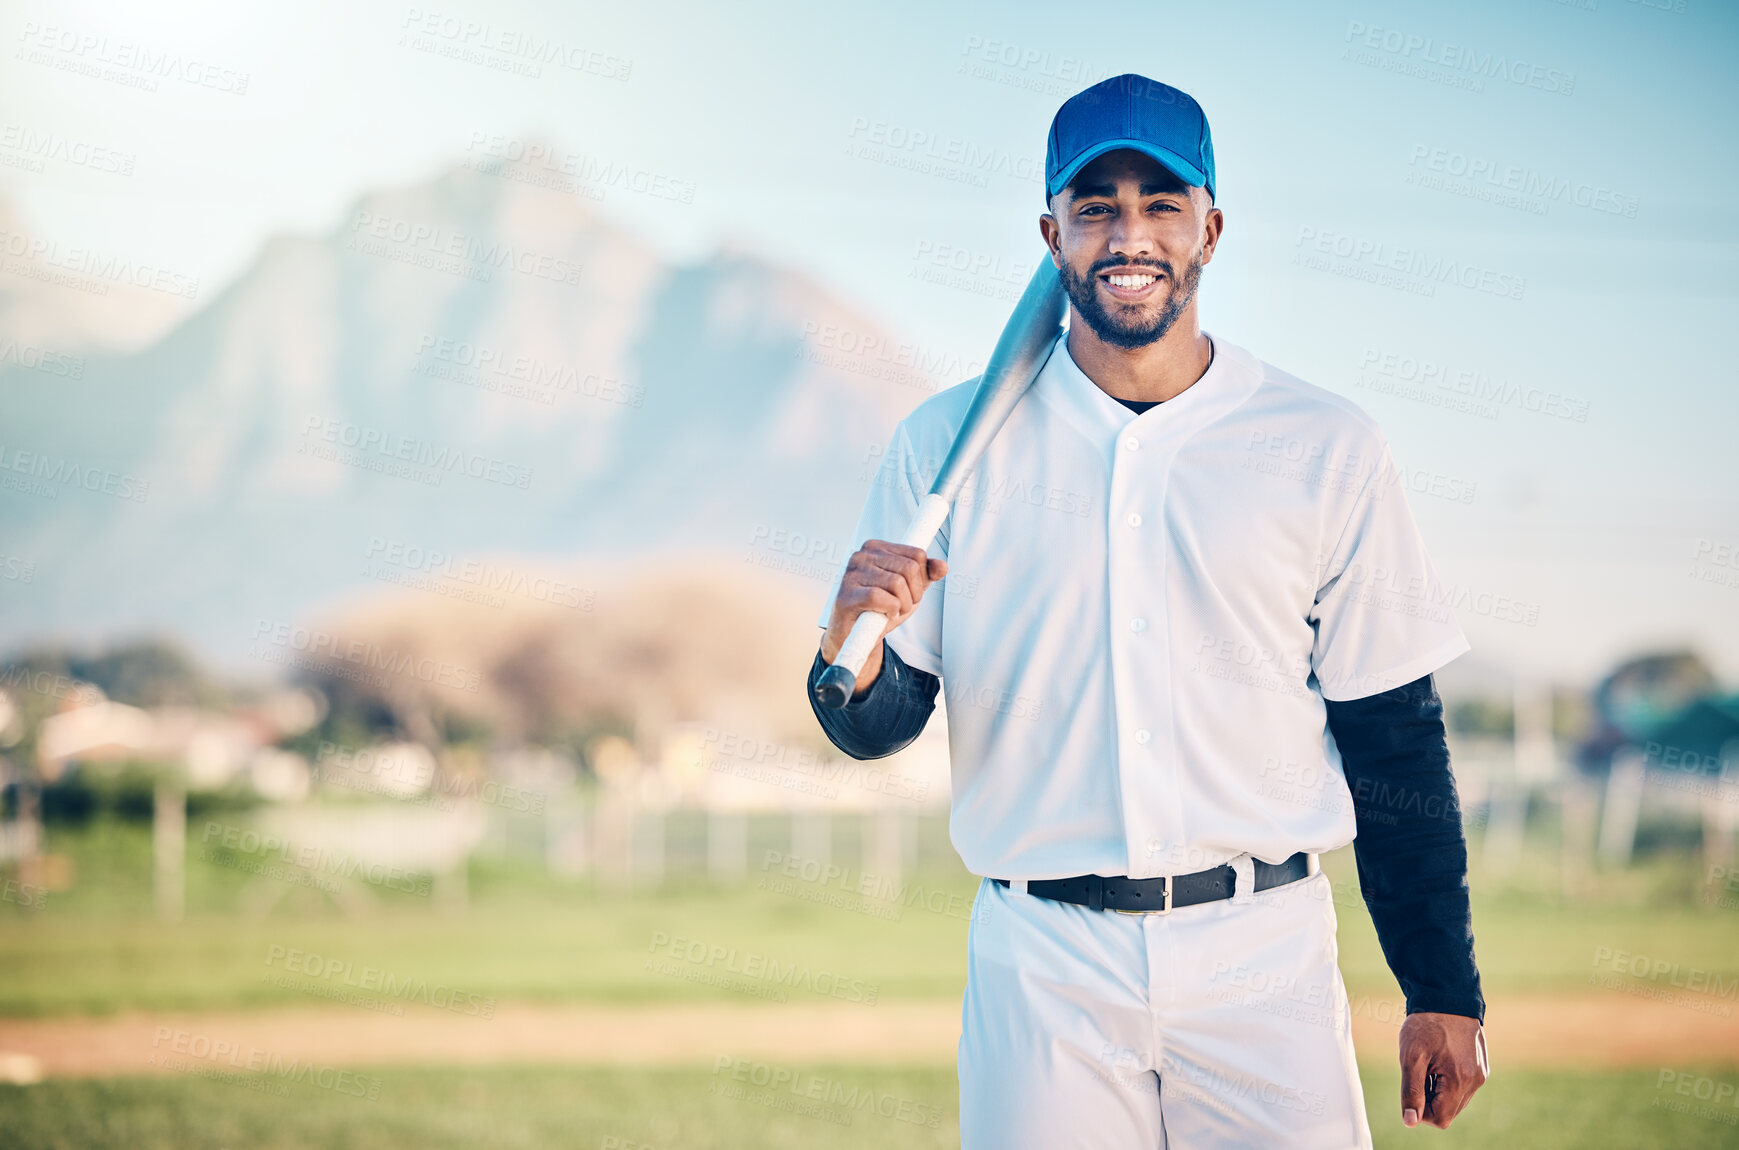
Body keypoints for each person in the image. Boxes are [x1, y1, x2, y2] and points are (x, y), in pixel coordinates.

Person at [807, 73, 1488, 1148]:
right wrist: (846, 657)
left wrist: (1439, 983)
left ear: (1210, 227)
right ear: (1051, 233)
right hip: (1042, 960)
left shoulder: (1323, 444)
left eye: (1161, 203)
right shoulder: (943, 447)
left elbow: (1392, 736)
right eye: (1095, 207)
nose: (1129, 233)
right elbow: (877, 721)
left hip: (1261, 953)